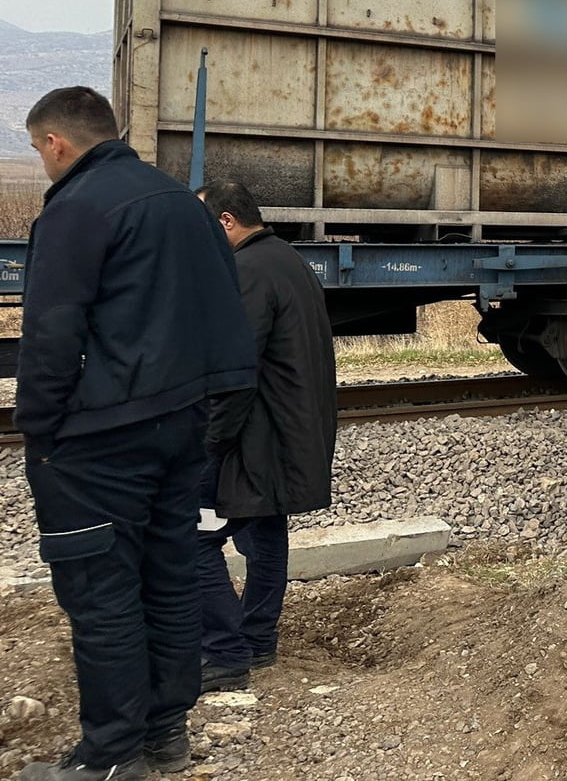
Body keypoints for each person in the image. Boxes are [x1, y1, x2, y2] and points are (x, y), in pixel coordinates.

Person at [16, 87, 257, 781]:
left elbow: (52, 332)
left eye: (37, 151)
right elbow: (225, 320)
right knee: (168, 579)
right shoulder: (186, 204)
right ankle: (164, 736)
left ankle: (111, 755)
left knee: (102, 592)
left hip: (97, 438)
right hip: (180, 427)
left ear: (58, 142)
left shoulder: (75, 208)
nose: (40, 164)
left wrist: (39, 427)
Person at [194, 180, 336, 695]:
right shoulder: (288, 260)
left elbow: (235, 373)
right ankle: (257, 641)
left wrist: (205, 446)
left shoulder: (247, 271)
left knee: (192, 537)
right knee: (265, 535)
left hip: (252, 439)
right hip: (285, 432)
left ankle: (225, 652)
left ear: (226, 221)